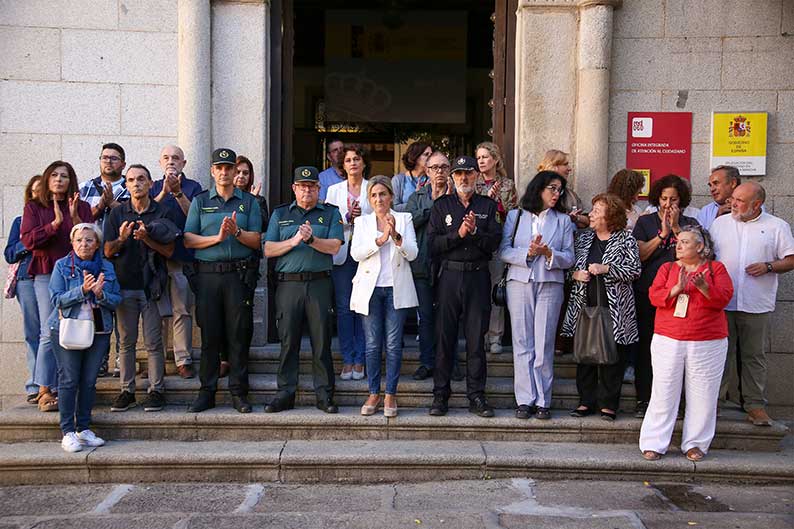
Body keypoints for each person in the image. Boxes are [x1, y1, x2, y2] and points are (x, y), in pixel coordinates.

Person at [639, 226, 734, 462]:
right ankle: (654, 443)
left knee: (703, 394)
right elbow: (654, 296)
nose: (678, 246)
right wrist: (676, 289)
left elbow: (724, 298)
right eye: (677, 242)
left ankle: (695, 444)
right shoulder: (667, 268)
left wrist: (704, 288)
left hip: (707, 341)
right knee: (663, 391)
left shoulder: (716, 269)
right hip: (668, 338)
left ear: (700, 247)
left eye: (684, 242)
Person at [183, 148, 263, 414]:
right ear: (213, 171)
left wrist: (236, 232)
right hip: (208, 275)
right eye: (220, 167)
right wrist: (216, 239)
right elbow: (188, 239)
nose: (225, 172)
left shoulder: (249, 202)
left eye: (229, 167)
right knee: (210, 335)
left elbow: (256, 240)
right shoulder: (200, 201)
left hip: (238, 275)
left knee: (239, 335)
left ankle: (239, 392)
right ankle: (207, 392)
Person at [711, 182, 794, 426]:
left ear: (756, 204)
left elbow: (790, 260)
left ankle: (755, 406)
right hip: (722, 303)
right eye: (733, 198)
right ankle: (713, 403)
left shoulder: (777, 226)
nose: (732, 203)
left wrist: (768, 266)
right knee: (719, 355)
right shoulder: (719, 224)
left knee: (754, 356)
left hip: (757, 303)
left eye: (739, 200)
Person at [264, 166, 344, 414]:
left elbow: (334, 247)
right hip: (289, 285)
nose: (307, 190)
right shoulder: (280, 214)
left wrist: (312, 240)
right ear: (294, 189)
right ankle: (285, 393)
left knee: (321, 342)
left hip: (319, 283)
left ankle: (324, 395)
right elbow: (268, 250)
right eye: (302, 186)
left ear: (318, 189)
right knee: (289, 341)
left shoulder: (330, 213)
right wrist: (294, 241)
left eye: (311, 186)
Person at [427, 155, 502, 418]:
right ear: (452, 178)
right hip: (449, 277)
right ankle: (440, 395)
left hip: (478, 278)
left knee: (475, 341)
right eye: (458, 174)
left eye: (468, 174)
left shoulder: (488, 206)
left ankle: (476, 396)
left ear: (477, 177)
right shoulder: (441, 206)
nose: (463, 178)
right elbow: (432, 245)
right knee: (444, 338)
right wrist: (457, 235)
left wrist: (474, 234)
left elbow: (494, 243)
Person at [104, 165, 180, 413]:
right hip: (124, 286)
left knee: (154, 343)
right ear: (125, 185)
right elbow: (107, 251)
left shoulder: (162, 211)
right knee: (126, 342)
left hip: (152, 287)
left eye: (141, 179)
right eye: (131, 180)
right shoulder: (117, 215)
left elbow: (169, 251)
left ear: (150, 184)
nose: (136, 184)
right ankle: (127, 391)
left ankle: (156, 390)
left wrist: (146, 238)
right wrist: (123, 238)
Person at [499, 171, 574, 420]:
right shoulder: (516, 216)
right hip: (519, 282)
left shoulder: (563, 220)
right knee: (522, 343)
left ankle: (543, 399)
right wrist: (528, 254)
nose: (556, 194)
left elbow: (570, 257)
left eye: (559, 190)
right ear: (539, 188)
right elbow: (504, 252)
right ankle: (524, 399)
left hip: (550, 283)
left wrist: (548, 252)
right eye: (552, 188)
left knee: (544, 344)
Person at [561, 193, 641, 421]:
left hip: (616, 310)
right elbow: (567, 269)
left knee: (612, 356)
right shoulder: (584, 239)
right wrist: (574, 274)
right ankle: (586, 401)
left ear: (610, 215)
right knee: (585, 355)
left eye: (597, 210)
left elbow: (635, 270)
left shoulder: (626, 239)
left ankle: (608, 404)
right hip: (584, 306)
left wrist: (607, 269)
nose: (592, 214)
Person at [21, 161, 93, 413]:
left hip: (74, 273)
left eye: (64, 176)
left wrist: (73, 218)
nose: (59, 179)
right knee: (48, 329)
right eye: (55, 175)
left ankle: (66, 386)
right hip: (45, 271)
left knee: (72, 326)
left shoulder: (81, 206)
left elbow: (89, 239)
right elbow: (29, 241)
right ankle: (43, 389)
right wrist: (53, 224)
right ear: (47, 179)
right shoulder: (34, 207)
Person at [350, 175, 418, 417]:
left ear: (391, 196)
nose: (379, 199)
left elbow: (413, 254)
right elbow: (355, 254)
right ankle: (373, 392)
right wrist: (380, 240)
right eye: (374, 195)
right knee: (371, 344)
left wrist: (396, 237)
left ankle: (390, 394)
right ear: (369, 199)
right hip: (370, 290)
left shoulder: (404, 218)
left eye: (383, 194)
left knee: (392, 344)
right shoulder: (362, 222)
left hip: (396, 288)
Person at [49, 223, 121, 452]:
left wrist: (100, 294)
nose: (84, 244)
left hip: (98, 330)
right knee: (69, 379)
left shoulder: (107, 267)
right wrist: (82, 290)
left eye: (89, 240)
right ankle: (67, 431)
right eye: (79, 240)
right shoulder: (62, 266)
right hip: (67, 328)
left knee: (89, 381)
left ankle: (84, 428)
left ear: (97, 244)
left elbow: (116, 300)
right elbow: (56, 299)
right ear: (72, 243)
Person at [632, 174, 698, 418]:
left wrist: (678, 229)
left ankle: (677, 403)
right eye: (664, 198)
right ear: (657, 199)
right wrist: (662, 233)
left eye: (674, 199)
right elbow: (640, 255)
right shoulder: (645, 222)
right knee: (647, 348)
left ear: (682, 201)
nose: (668, 204)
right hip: (649, 294)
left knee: (678, 351)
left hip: (681, 296)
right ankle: (644, 399)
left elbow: (698, 255)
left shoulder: (691, 224)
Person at [404, 151, 462, 381]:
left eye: (444, 167)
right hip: (422, 266)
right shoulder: (416, 197)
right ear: (427, 171)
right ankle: (427, 362)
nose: (439, 171)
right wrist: (436, 205)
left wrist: (446, 202)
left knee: (450, 317)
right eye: (435, 167)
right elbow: (410, 220)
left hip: (450, 266)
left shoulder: (458, 198)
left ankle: (451, 362)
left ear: (450, 171)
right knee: (426, 317)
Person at [151, 144, 204, 379]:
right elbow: (147, 213)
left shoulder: (193, 187)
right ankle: (157, 360)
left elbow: (196, 216)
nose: (171, 161)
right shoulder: (151, 186)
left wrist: (177, 192)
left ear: (184, 163)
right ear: (160, 163)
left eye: (176, 158)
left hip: (181, 257)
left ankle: (182, 358)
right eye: (166, 157)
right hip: (154, 257)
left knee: (181, 308)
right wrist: (163, 192)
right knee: (156, 311)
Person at [325, 144, 371, 380]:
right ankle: (348, 358)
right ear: (342, 165)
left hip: (367, 256)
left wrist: (361, 218)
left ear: (363, 163)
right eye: (348, 160)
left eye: (357, 159)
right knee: (344, 308)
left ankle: (361, 359)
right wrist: (345, 218)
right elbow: (328, 222)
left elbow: (380, 220)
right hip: (341, 254)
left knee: (363, 307)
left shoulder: (372, 188)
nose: (353, 163)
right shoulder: (333, 191)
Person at [476, 142, 518, 354]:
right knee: (478, 292)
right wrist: (485, 201)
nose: (481, 161)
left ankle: (495, 336)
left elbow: (512, 215)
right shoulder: (473, 182)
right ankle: (479, 334)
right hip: (476, 243)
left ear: (495, 159)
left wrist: (495, 203)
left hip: (498, 241)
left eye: (485, 157)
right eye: (479, 157)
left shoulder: (507, 185)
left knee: (495, 290)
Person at [4, 175, 42, 404]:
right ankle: (35, 385)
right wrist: (30, 240)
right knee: (32, 332)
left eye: (43, 190)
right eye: (36, 191)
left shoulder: (57, 219)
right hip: (27, 278)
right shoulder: (20, 222)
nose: (39, 194)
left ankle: (51, 382)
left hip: (51, 278)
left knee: (53, 333)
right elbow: (9, 254)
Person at [77, 142, 130, 224]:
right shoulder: (84, 188)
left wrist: (112, 203)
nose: (108, 161)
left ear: (123, 165)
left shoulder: (132, 187)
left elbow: (137, 217)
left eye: (114, 158)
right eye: (104, 158)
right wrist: (99, 207)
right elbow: (78, 221)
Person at [537, 149, 588, 229]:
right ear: (554, 166)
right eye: (565, 164)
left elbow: (587, 222)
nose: (569, 169)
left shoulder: (571, 195)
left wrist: (576, 218)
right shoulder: (537, 191)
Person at [696, 165, 741, 230]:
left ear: (733, 183)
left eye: (716, 183)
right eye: (710, 185)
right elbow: (699, 238)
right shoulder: (706, 211)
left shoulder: (752, 205)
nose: (712, 189)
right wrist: (718, 219)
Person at [391, 141, 432, 212]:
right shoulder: (398, 180)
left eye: (431, 155)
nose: (430, 158)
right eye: (426, 154)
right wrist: (416, 200)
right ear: (415, 157)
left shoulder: (432, 179)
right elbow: (394, 207)